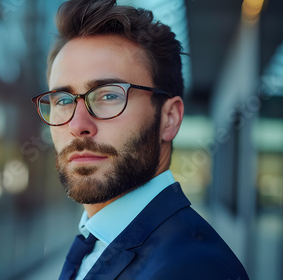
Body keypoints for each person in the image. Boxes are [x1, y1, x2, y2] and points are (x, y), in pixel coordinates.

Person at [30, 0, 250, 279]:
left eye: (109, 95)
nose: (77, 125)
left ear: (169, 118)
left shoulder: (194, 268)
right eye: (62, 100)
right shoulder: (97, 240)